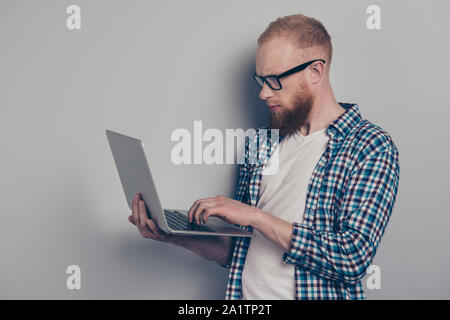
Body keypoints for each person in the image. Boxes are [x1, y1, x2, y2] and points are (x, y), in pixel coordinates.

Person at [128, 13, 400, 300]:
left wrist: (255, 216)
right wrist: (173, 235)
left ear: (315, 72)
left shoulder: (370, 146)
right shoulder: (261, 142)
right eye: (260, 80)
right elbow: (238, 253)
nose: (263, 93)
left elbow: (351, 259)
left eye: (274, 80)